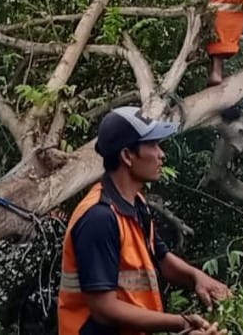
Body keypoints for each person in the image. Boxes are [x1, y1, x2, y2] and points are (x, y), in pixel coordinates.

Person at [57, 106, 231, 335]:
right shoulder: (98, 218)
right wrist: (181, 323)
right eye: (152, 145)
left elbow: (161, 258)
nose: (161, 154)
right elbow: (103, 308)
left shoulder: (136, 203)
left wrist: (197, 278)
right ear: (127, 156)